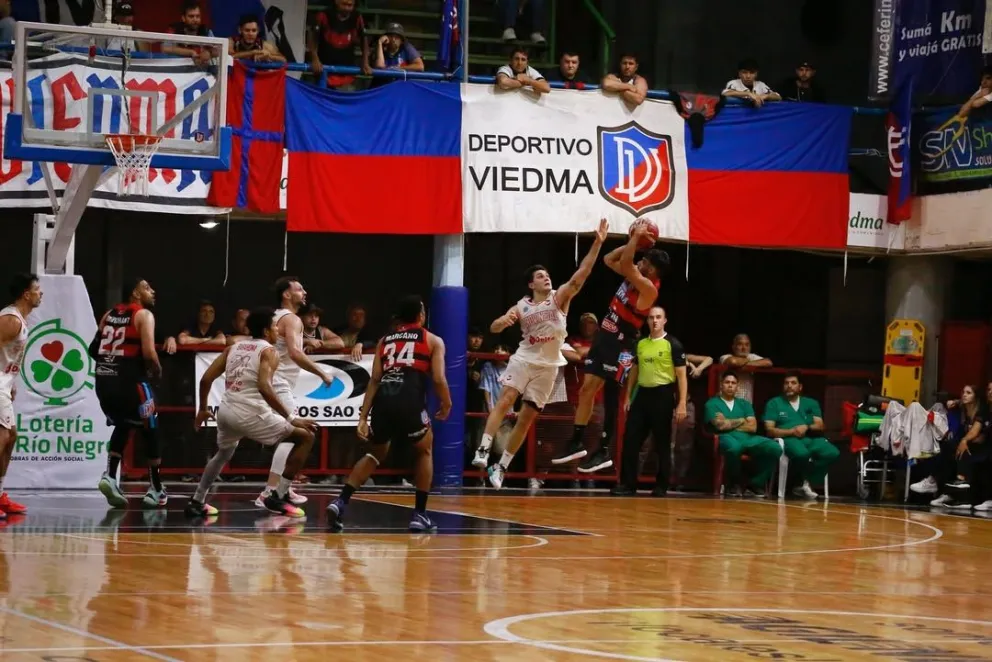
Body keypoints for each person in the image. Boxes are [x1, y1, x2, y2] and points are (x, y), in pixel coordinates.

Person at [473, 219, 609, 488]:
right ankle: (483, 449)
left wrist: (597, 243)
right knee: (506, 400)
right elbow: (496, 324)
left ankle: (501, 468)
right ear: (531, 285)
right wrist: (501, 323)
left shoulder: (559, 299)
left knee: (526, 419)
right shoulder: (522, 306)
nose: (546, 277)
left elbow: (582, 273)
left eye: (547, 275)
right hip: (525, 358)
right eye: (540, 276)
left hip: (548, 366)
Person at [552, 221, 670, 474]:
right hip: (606, 334)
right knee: (587, 390)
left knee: (610, 395)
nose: (641, 262)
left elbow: (626, 264)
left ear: (654, 271)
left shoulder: (648, 288)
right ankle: (576, 441)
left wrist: (636, 241)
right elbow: (608, 259)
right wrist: (633, 242)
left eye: (646, 262)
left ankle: (604, 449)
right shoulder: (635, 273)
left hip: (623, 342)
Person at [326, 295, 451, 533]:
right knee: (424, 450)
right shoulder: (432, 340)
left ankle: (340, 501)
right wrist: (447, 403)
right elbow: (438, 378)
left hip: (383, 401)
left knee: (375, 453)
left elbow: (373, 380)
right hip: (409, 399)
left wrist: (363, 417)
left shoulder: (384, 341)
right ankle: (420, 514)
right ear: (421, 315)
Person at [189, 308, 319, 518]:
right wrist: (291, 418)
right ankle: (278, 495)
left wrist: (203, 409)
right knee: (306, 436)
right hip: (249, 413)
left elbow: (205, 380)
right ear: (267, 331)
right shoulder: (269, 351)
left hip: (226, 412)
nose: (278, 330)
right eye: (275, 327)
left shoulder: (233, 348)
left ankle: (197, 500)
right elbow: (264, 387)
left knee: (222, 455)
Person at [256, 276, 333, 508]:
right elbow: (296, 354)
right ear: (286, 295)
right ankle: (272, 491)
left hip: (276, 381)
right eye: (299, 289)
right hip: (277, 383)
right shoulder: (291, 319)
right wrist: (322, 373)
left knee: (289, 437)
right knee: (298, 434)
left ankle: (278, 489)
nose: (304, 292)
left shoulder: (277, 317)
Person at [92, 279, 167, 509]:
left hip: (104, 383)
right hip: (132, 382)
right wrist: (157, 370)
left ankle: (110, 476)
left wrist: (112, 365)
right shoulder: (144, 315)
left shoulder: (108, 315)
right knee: (151, 428)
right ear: (135, 292)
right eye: (147, 287)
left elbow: (93, 349)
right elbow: (148, 353)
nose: (152, 291)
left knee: (124, 424)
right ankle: (156, 489)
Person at [613, 306, 687, 496]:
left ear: (664, 320)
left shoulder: (673, 344)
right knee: (630, 439)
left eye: (658, 317)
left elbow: (681, 376)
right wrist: (628, 396)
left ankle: (661, 486)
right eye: (651, 318)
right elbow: (634, 371)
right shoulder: (641, 344)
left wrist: (681, 404)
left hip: (663, 395)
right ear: (647, 321)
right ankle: (628, 485)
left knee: (662, 442)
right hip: (643, 394)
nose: (654, 321)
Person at [0, 274, 43, 518]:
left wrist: (11, 382)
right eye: (37, 290)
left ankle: (0, 494)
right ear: (26, 294)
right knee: (4, 436)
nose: (41, 294)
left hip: (4, 384)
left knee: (10, 437)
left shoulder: (22, 321)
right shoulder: (10, 319)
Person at [763, 371, 838, 500]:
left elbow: (820, 425)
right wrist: (791, 431)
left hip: (809, 438)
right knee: (802, 454)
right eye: (786, 383)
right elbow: (769, 430)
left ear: (800, 387)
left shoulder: (811, 403)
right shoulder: (774, 403)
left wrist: (806, 427)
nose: (789, 386)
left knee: (832, 452)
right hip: (787, 438)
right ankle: (800, 484)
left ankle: (806, 482)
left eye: (793, 383)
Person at [706, 371, 782, 497]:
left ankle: (755, 485)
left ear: (737, 386)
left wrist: (728, 422)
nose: (730, 385)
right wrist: (741, 420)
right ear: (721, 385)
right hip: (726, 437)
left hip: (748, 438)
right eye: (727, 382)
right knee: (734, 448)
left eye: (733, 383)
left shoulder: (744, 404)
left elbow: (753, 427)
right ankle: (733, 483)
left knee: (775, 448)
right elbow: (719, 425)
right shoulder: (712, 404)